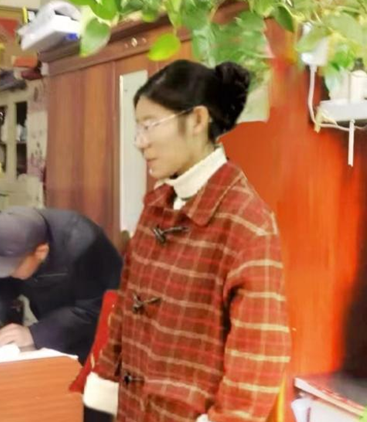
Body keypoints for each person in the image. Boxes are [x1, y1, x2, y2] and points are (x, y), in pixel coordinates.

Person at [86, 60, 291, 422]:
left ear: (197, 120)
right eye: (138, 127)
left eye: (150, 125)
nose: (140, 142)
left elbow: (258, 357)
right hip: (132, 410)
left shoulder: (246, 222)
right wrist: (105, 383)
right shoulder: (156, 207)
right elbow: (125, 310)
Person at [0, 206, 122, 363]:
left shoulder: (83, 243)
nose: (6, 273)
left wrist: (35, 334)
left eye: (12, 267)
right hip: (54, 332)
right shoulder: (10, 240)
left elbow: (93, 308)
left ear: (41, 252)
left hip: (102, 339)